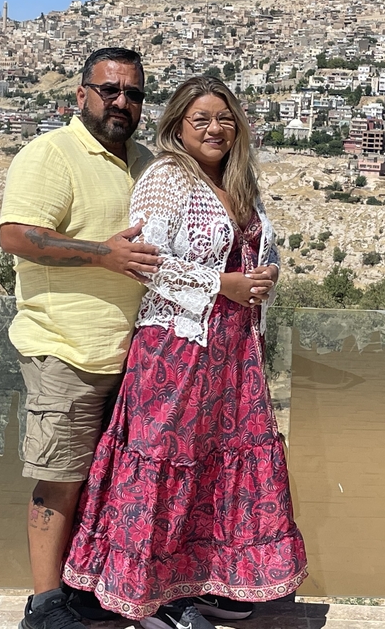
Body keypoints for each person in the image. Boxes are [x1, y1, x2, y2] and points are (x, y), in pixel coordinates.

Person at [62, 76, 308, 629]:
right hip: (177, 349)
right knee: (166, 463)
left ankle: (208, 579)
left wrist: (266, 275)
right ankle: (155, 596)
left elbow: (254, 252)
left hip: (235, 350)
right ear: (177, 126)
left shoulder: (239, 183)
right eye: (201, 119)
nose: (215, 129)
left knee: (217, 467)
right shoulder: (166, 178)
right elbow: (146, 260)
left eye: (225, 118)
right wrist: (223, 285)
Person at [0, 47, 160, 629]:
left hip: (132, 355)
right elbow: (17, 235)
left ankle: (84, 589)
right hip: (65, 348)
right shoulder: (52, 154)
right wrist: (102, 254)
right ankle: (44, 606)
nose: (122, 102)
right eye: (109, 90)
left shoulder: (145, 162)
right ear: (81, 94)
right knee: (62, 480)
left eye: (133, 93)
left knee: (110, 480)